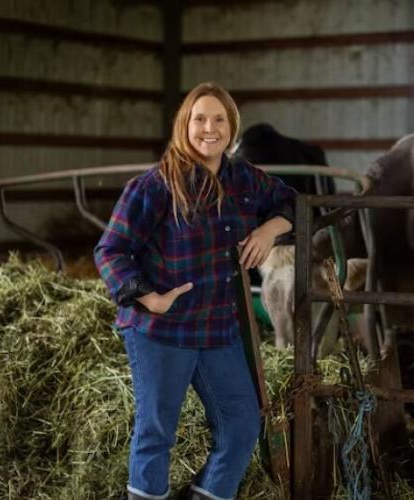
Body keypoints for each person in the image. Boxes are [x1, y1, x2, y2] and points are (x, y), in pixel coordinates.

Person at [94, 82, 296, 500]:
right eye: (199, 119)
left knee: (242, 426)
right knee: (156, 432)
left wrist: (269, 229)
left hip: (217, 328)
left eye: (219, 119)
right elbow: (110, 250)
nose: (210, 128)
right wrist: (150, 297)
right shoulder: (155, 186)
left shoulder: (243, 177)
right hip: (162, 329)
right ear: (184, 125)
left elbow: (293, 202)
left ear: (232, 126)